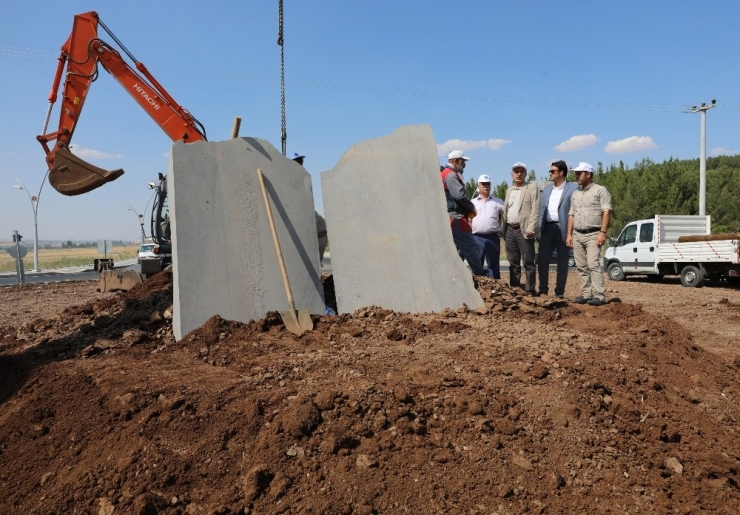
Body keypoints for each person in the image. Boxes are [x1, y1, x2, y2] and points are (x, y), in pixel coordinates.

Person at [566, 162, 612, 306]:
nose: (576, 176)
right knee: (581, 266)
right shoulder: (576, 193)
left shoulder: (600, 190)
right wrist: (569, 234)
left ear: (588, 174)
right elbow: (571, 214)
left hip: (593, 233)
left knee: (593, 264)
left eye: (579, 173)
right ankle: (586, 294)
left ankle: (599, 295)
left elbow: (606, 211)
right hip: (577, 234)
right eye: (576, 173)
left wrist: (602, 232)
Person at [441, 150, 487, 276]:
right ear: (456, 161)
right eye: (463, 162)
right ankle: (480, 273)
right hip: (456, 218)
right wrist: (471, 208)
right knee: (471, 246)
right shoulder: (450, 175)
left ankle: (455, 276)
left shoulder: (446, 173)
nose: (465, 165)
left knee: (457, 250)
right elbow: (459, 196)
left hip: (451, 217)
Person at [537, 160, 578, 298]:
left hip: (564, 228)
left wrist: (571, 233)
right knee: (542, 260)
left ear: (561, 172)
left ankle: (559, 292)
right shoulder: (547, 189)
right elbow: (541, 210)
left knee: (563, 261)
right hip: (547, 228)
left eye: (552, 171)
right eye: (550, 171)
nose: (550, 173)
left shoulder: (573, 188)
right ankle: (543, 290)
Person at [500, 162, 540, 295]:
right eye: (516, 171)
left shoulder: (531, 188)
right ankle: (515, 289)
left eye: (521, 171)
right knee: (513, 262)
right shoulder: (509, 191)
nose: (519, 174)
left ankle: (530, 290)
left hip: (524, 230)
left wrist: (531, 227)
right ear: (512, 174)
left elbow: (536, 209)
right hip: (510, 230)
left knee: (528, 261)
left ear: (525, 174)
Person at [290, 151, 327, 261]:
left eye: (301, 161)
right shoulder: (287, 176)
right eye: (298, 161)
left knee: (323, 229)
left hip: (305, 209)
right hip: (294, 210)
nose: (300, 163)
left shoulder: (304, 176)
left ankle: (315, 263)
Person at [471, 174, 504, 279]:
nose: (486, 186)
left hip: (492, 238)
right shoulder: (472, 203)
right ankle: (477, 289)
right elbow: (467, 219)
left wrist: (503, 228)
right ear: (478, 186)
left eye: (488, 184)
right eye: (483, 184)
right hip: (476, 237)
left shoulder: (498, 202)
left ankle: (495, 289)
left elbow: (508, 215)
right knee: (477, 264)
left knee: (493, 265)